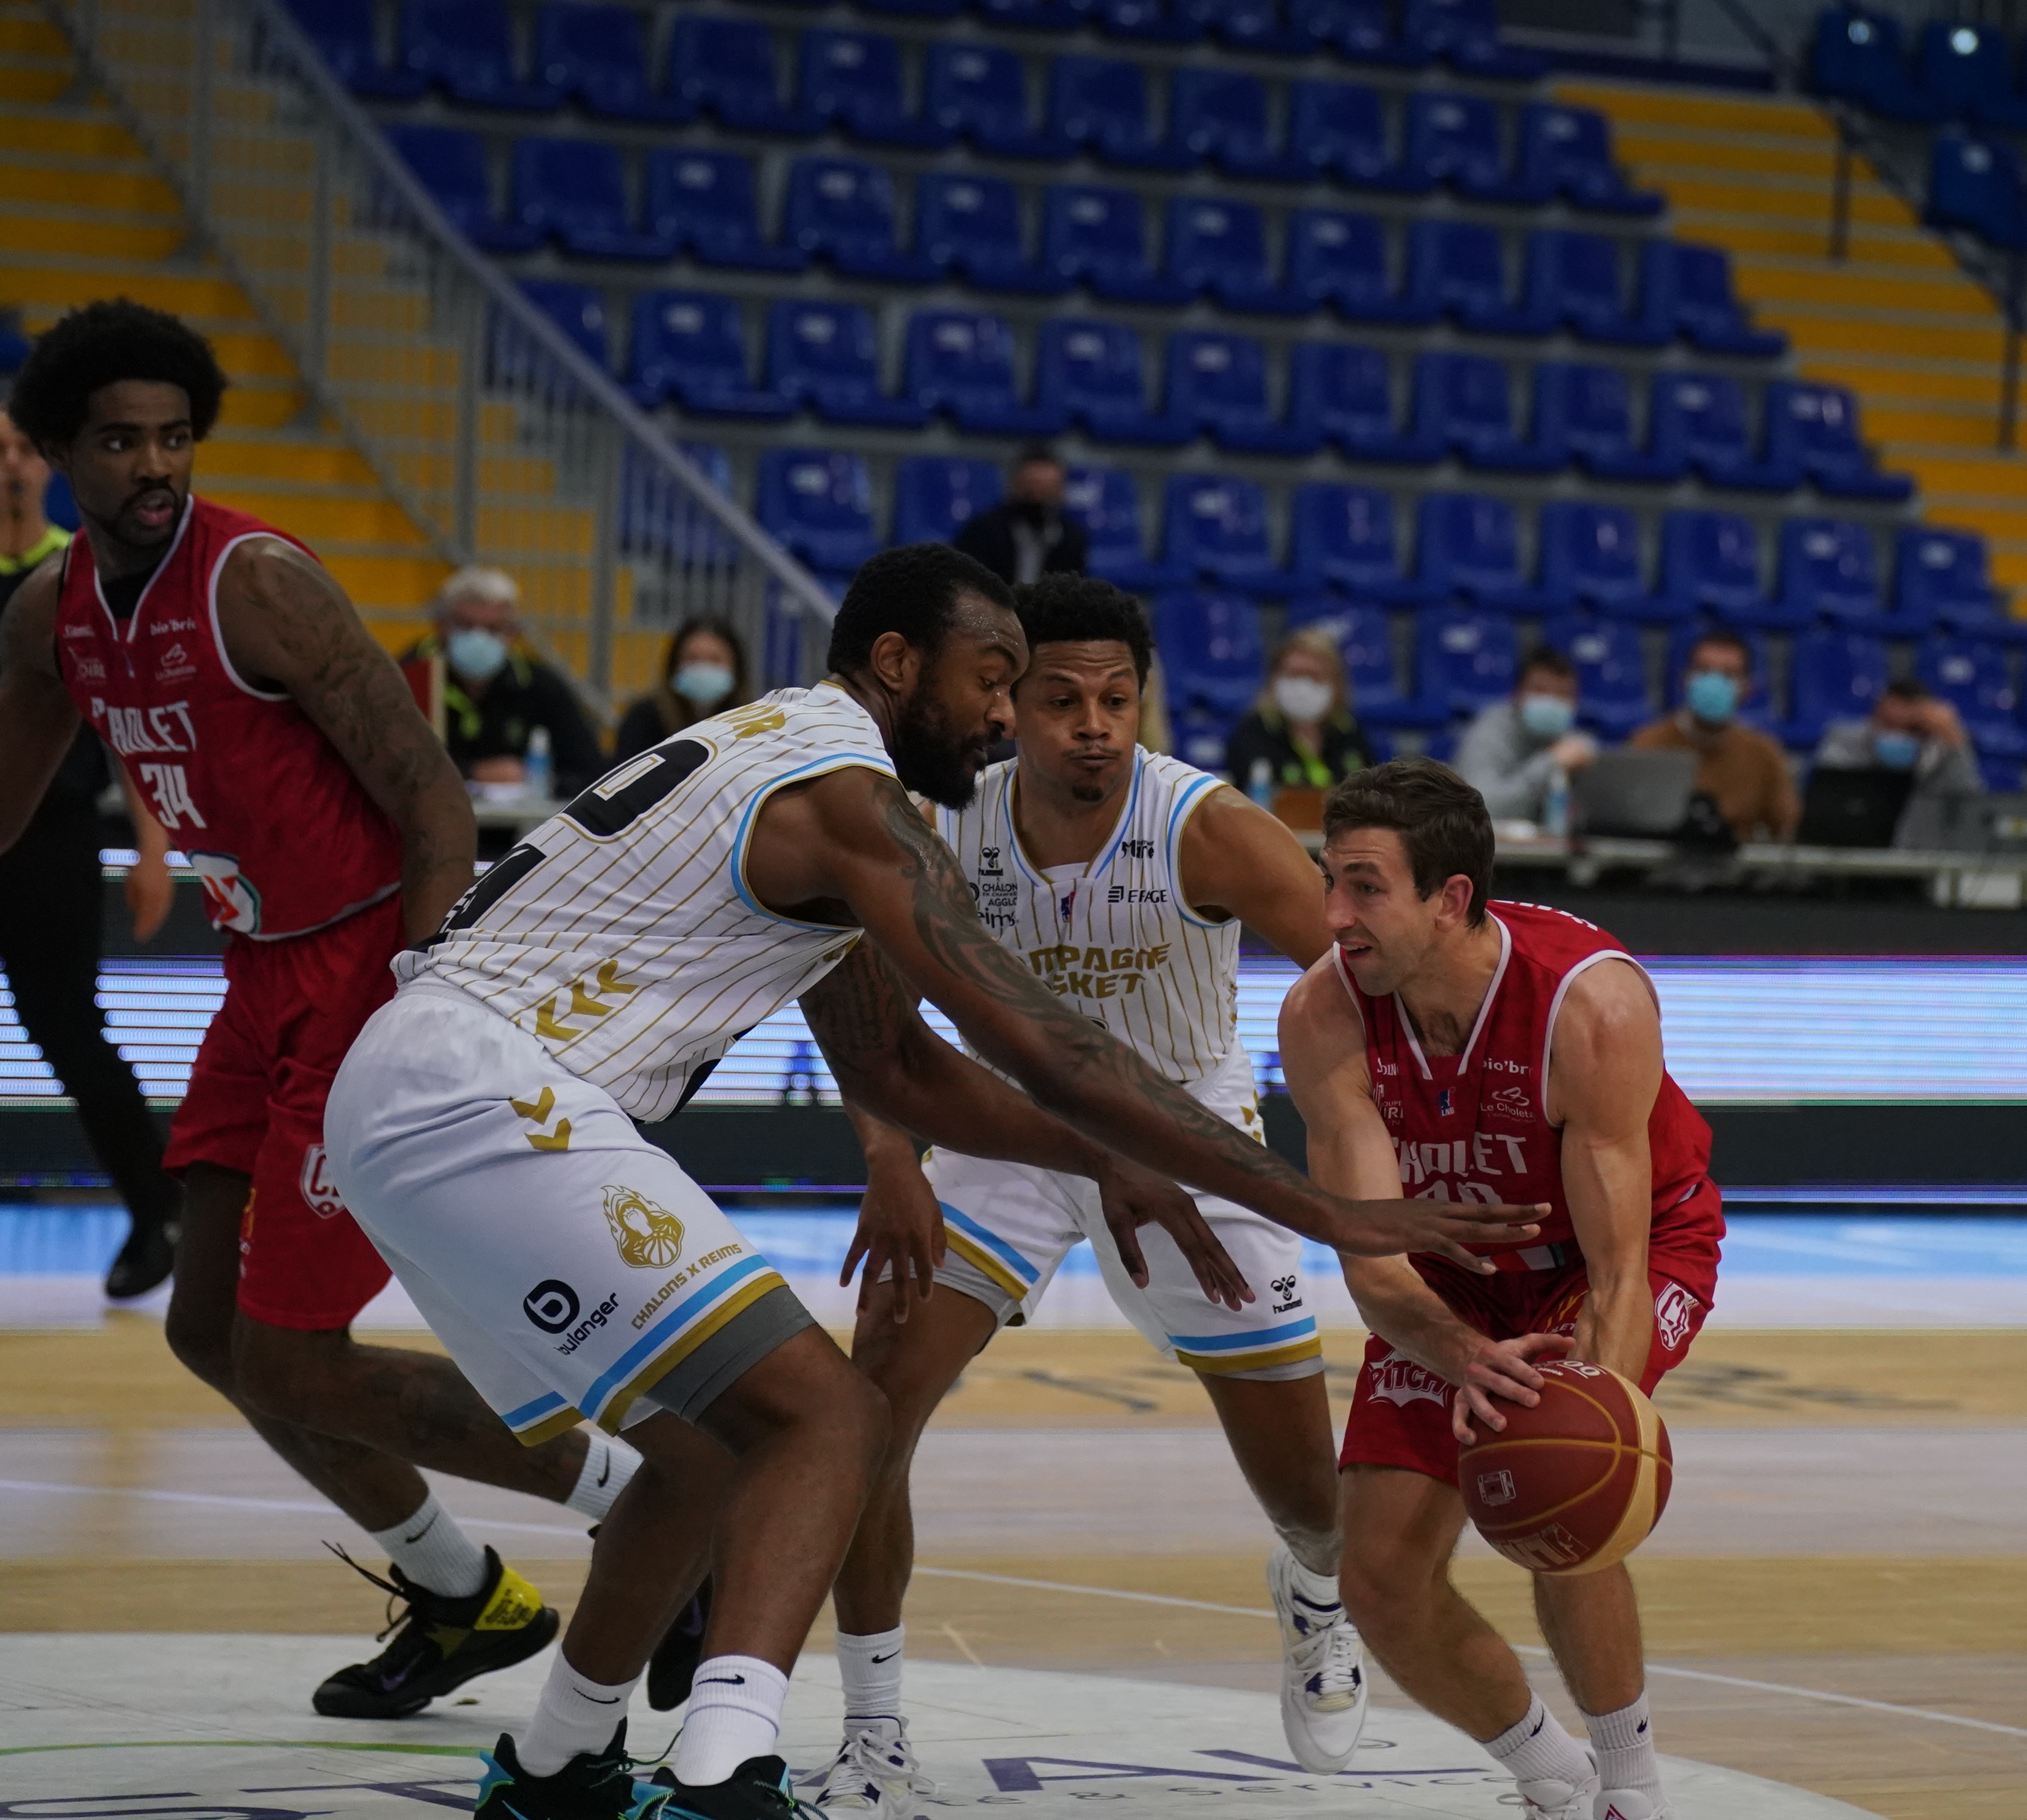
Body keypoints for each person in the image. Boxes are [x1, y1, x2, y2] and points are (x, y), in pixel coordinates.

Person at [321, 545, 1536, 1820]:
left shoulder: (799, 762)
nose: (1010, 716)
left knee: (700, 1456)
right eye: (995, 681)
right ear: (898, 665)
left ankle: (559, 1765)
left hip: (406, 1098)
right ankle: (729, 1769)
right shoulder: (858, 796)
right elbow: (1033, 1037)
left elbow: (896, 1061)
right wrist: (1328, 1207)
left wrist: (1106, 1153)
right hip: (489, 1092)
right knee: (833, 1416)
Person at [0, 301, 639, 1716]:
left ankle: (653, 1501)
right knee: (206, 1333)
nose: (155, 465)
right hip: (262, 979)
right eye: (121, 441)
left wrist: (431, 997)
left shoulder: (259, 585)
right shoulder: (47, 612)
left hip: (369, 971)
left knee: (294, 1352)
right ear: (60, 452)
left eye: (175, 436)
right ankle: (458, 1590)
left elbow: (431, 794)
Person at [821, 573, 1367, 1810]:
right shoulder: (937, 818)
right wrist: (890, 1156)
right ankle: (871, 1731)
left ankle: (1316, 1593)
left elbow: (1351, 980)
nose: (1093, 724)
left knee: (1310, 1496)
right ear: (1007, 700)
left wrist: (1351, 1129)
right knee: (867, 1407)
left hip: (1184, 1132)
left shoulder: (1211, 827)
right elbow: (867, 1009)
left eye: (1117, 698)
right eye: (1061, 697)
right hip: (1006, 1134)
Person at [1279, 757, 1724, 1820]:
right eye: (1329, 880)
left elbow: (1617, 1266)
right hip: (1453, 1279)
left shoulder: (1592, 1002)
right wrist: (1463, 1355)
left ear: (1452, 897)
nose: (1334, 912)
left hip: (1619, 1252)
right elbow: (1375, 1259)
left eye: (1365, 886)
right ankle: (1554, 1779)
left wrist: (1590, 1412)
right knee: (1379, 1574)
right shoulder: (1323, 1015)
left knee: (1566, 1485)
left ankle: (1632, 1788)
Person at [0, 401, 186, 1303]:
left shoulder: (91, 580)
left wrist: (152, 851)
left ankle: (157, 1218)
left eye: (26, 448)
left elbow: (132, 731)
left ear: (49, 465)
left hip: (53, 841)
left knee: (72, 1035)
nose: (12, 465)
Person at [398, 565, 607, 789]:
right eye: (466, 626)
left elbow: (589, 771)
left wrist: (533, 780)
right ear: (440, 625)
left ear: (513, 632)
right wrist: (474, 773)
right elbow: (392, 765)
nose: (478, 639)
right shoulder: (406, 677)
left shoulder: (539, 685)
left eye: (493, 629)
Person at [1630, 629, 1798, 843]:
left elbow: (1786, 829)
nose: (1714, 684)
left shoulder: (1765, 755)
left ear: (1747, 688)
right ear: (1685, 680)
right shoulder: (1647, 745)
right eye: (1703, 671)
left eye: (1728, 675)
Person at [1811, 675, 1983, 843]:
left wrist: (1954, 740)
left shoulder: (1943, 755)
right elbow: (1825, 811)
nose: (1897, 736)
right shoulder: (1845, 741)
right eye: (1889, 725)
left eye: (1911, 729)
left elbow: (1970, 811)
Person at [1219, 625, 1380, 797]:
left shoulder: (1350, 732)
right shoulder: (1253, 733)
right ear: (1274, 680)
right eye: (1294, 675)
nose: (1303, 687)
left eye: (1314, 676)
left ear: (1336, 684)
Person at [1454, 645, 1598, 830]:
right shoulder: (1488, 733)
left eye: (1563, 694)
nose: (1551, 702)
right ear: (1517, 694)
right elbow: (1480, 810)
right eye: (1540, 691)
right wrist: (1551, 764)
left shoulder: (1573, 742)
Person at [612, 617, 751, 756]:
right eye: (692, 659)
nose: (702, 668)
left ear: (736, 667)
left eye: (715, 660)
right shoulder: (644, 719)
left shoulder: (751, 723)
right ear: (675, 666)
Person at [948, 447, 1088, 585]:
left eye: (1050, 491)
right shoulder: (981, 533)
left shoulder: (1071, 539)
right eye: (1031, 490)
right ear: (1013, 487)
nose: (1041, 500)